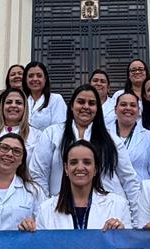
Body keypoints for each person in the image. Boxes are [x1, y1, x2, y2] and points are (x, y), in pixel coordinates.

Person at [31, 85, 138, 218]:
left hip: (106, 213)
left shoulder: (111, 139)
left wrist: (136, 220)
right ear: (71, 106)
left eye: (91, 103)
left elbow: (129, 179)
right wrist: (47, 209)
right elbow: (38, 174)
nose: (86, 107)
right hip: (61, 211)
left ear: (97, 109)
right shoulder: (52, 134)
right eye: (81, 102)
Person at [112, 91, 150, 180]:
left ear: (138, 110)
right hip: (110, 187)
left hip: (140, 186)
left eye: (133, 105)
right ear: (115, 109)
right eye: (123, 104)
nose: (128, 108)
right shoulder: (104, 134)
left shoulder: (149, 137)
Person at [23, 60, 67, 132]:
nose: (35, 79)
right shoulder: (22, 101)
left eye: (39, 75)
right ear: (25, 79)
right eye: (31, 76)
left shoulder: (56, 99)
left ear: (45, 79)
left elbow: (59, 129)